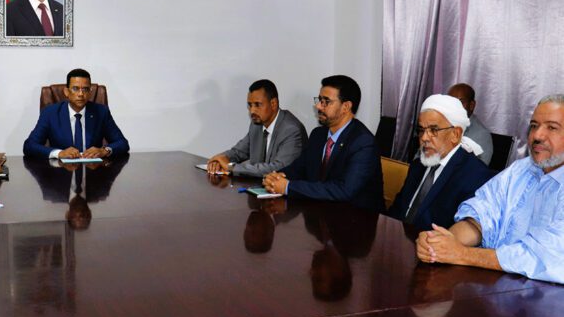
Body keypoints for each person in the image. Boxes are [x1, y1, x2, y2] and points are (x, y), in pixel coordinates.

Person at [417, 94, 564, 284]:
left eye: (552, 127)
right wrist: (440, 243)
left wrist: (462, 254)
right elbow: (481, 216)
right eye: (534, 126)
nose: (537, 136)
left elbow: (543, 258)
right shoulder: (520, 170)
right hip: (494, 286)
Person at [262, 75, 384, 212]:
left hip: (356, 218)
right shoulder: (318, 135)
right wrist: (276, 176)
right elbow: (298, 168)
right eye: (319, 100)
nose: (318, 106)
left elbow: (344, 190)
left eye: (326, 101)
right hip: (320, 213)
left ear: (346, 106)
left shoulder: (363, 143)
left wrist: (288, 187)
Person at [388, 94, 494, 231]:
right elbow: (397, 211)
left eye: (434, 130)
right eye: (421, 130)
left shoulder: (476, 177)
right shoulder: (418, 165)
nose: (424, 138)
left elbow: (459, 234)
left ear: (455, 134)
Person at [206, 79, 307, 177]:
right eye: (250, 105)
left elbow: (277, 168)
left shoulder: (291, 130)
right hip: (259, 185)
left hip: (287, 187)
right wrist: (219, 160)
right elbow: (238, 152)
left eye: (257, 105)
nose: (252, 111)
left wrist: (231, 167)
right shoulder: (257, 124)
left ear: (273, 104)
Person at [23, 68, 129, 159]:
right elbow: (29, 146)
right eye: (75, 89)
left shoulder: (101, 112)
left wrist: (105, 151)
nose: (81, 94)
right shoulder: (50, 113)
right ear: (66, 92)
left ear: (90, 92)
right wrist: (59, 153)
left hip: (93, 171)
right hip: (60, 172)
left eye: (85, 89)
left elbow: (122, 143)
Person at [447, 83, 494, 165]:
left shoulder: (481, 135)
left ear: (471, 105)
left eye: (461, 102)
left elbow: (475, 170)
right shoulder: (442, 126)